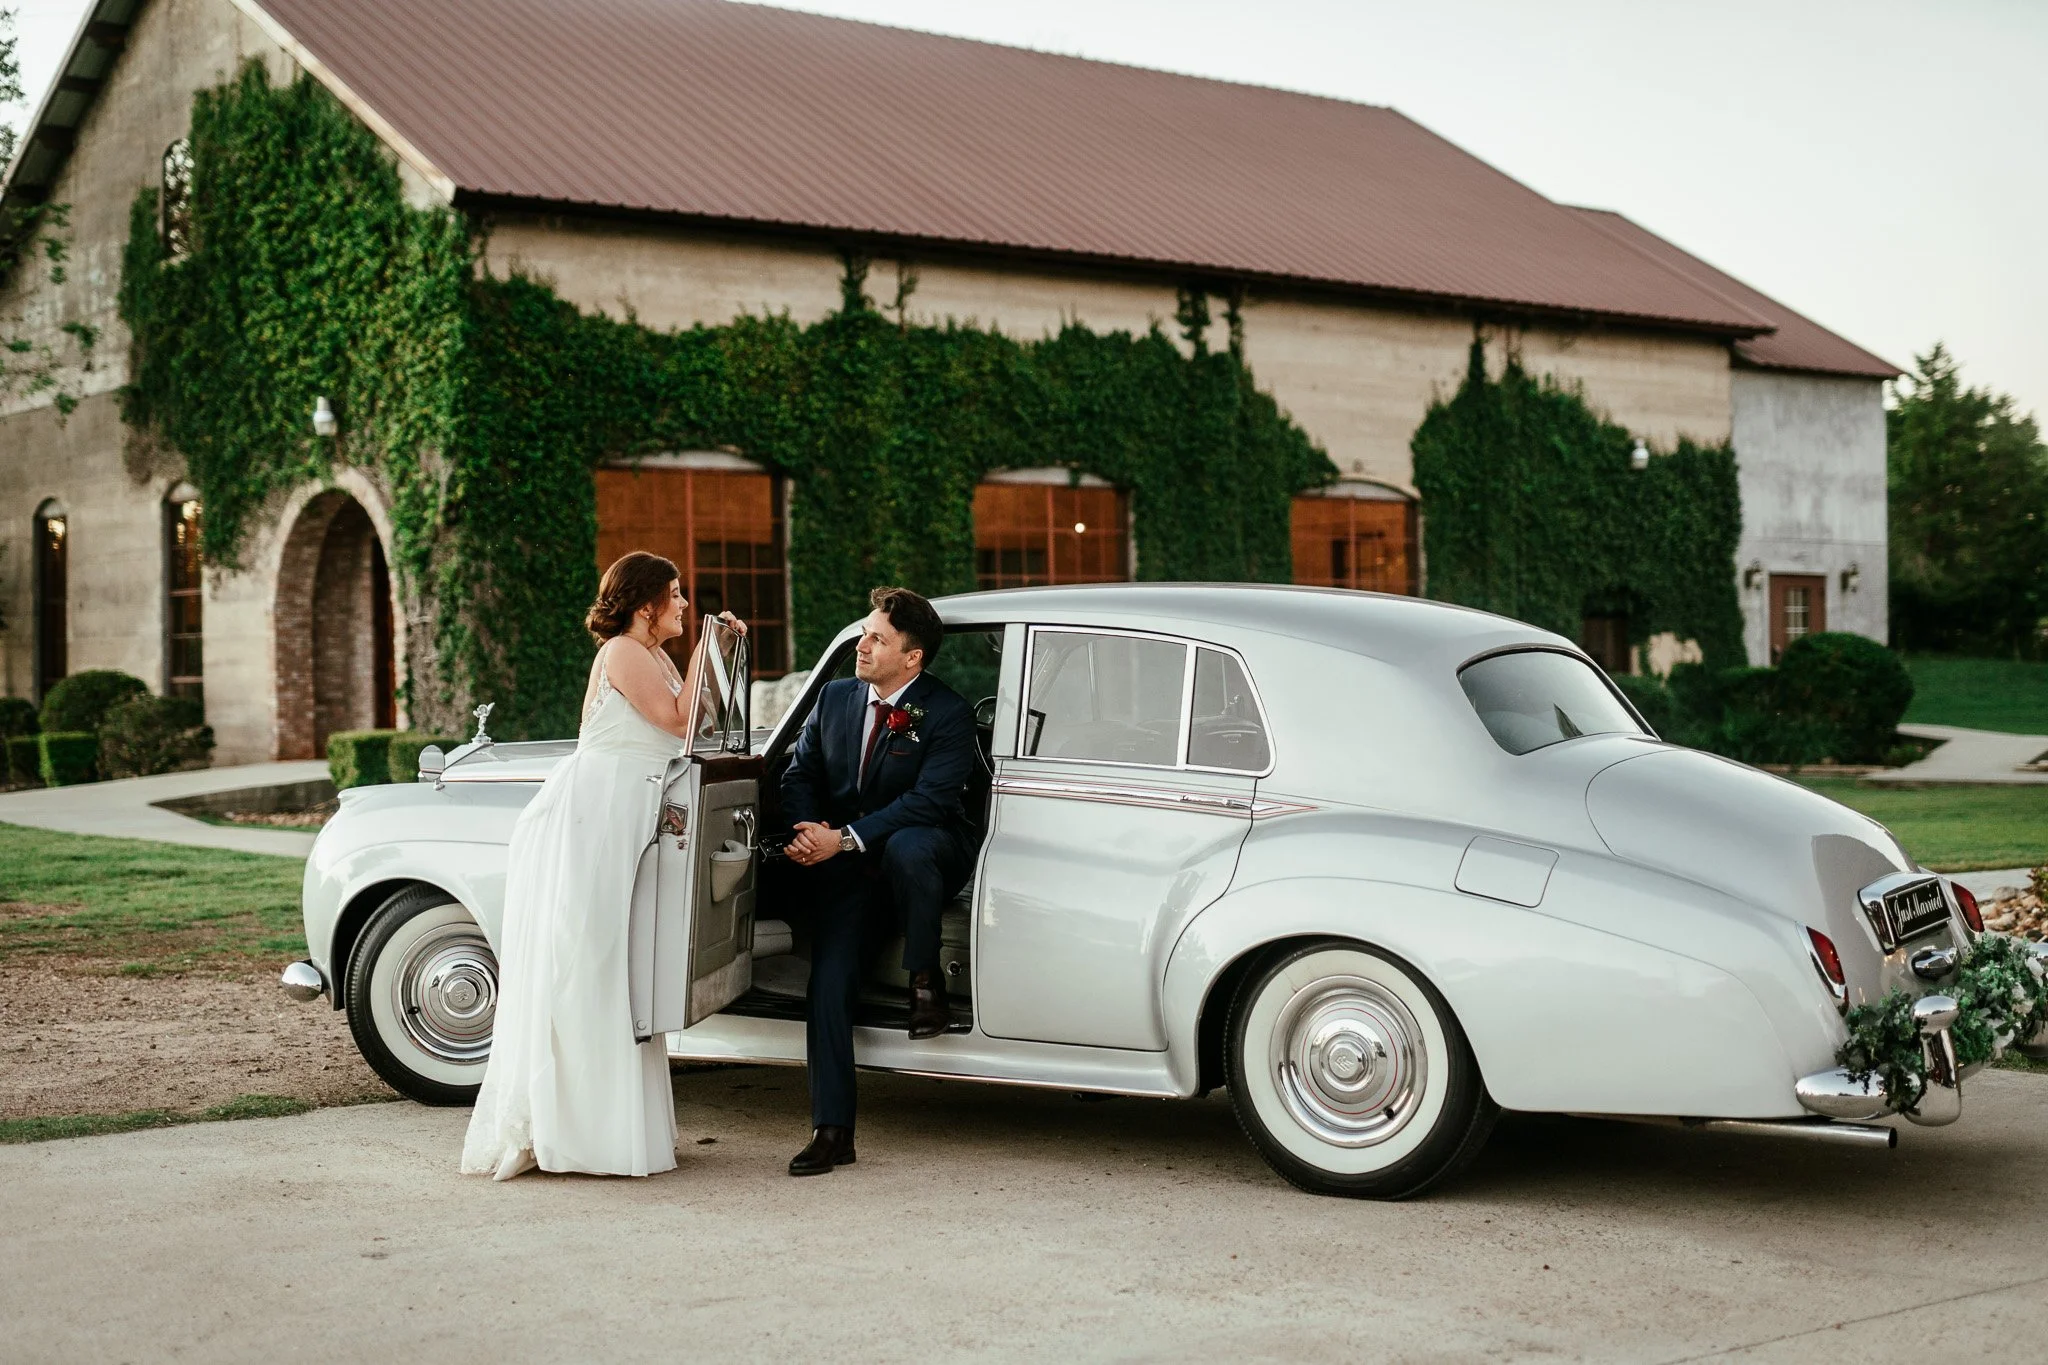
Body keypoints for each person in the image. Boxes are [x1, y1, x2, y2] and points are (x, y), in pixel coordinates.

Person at [461, 551, 744, 1180]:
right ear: (646, 606)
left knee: (622, 964)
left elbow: (695, 727)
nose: (684, 605)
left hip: (629, 814)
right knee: (591, 958)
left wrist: (714, 655)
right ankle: (572, 1131)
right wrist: (707, 648)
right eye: (675, 595)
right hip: (597, 816)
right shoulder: (622, 652)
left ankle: (609, 1126)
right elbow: (674, 719)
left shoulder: (658, 657)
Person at [779, 586, 979, 1177]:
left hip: (923, 851)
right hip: (847, 867)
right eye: (865, 633)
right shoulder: (837, 697)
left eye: (876, 639)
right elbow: (799, 771)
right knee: (829, 982)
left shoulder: (946, 711)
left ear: (912, 658)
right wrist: (808, 830)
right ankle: (832, 1130)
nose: (861, 645)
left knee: (914, 845)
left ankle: (924, 978)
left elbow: (929, 801)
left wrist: (843, 837)